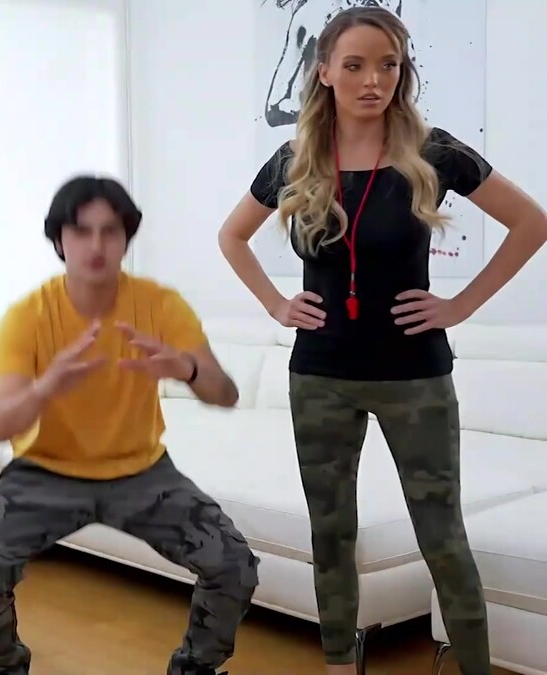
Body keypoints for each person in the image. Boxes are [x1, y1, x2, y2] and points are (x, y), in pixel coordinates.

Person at [217, 7, 547, 675]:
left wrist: (460, 305)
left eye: (388, 65)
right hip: (320, 376)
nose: (373, 80)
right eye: (356, 65)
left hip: (414, 377)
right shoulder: (294, 160)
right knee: (331, 533)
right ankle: (341, 665)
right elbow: (232, 236)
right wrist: (277, 304)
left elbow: (532, 223)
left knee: (443, 537)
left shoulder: (434, 152)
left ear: (403, 71)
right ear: (324, 72)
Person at [0, 175, 260, 675]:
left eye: (110, 231)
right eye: (81, 231)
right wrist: (47, 386)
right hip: (45, 472)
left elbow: (225, 393)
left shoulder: (159, 305)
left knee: (233, 564)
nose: (96, 245)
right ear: (60, 241)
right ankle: (6, 665)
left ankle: (194, 669)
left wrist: (185, 368)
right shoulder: (27, 317)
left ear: (125, 239)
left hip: (141, 472)